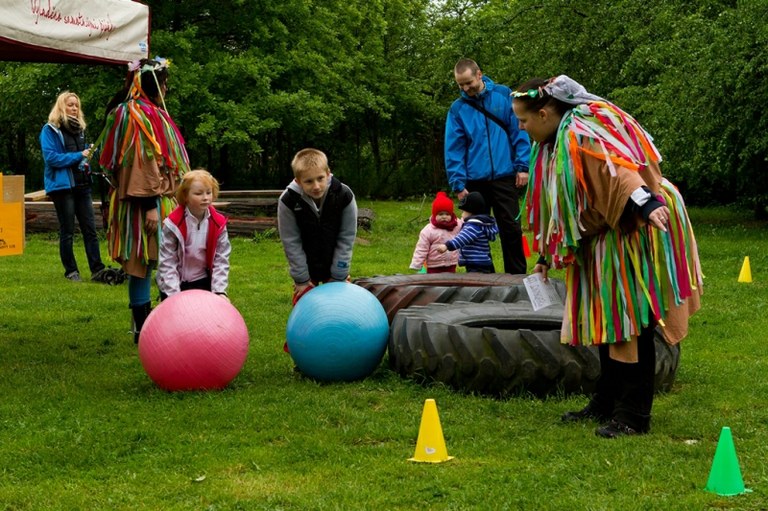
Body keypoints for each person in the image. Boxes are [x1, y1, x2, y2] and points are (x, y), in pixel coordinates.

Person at [512, 75, 703, 438]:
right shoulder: (552, 144)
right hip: (601, 235)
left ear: (543, 114)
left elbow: (620, 174)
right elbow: (560, 204)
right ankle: (606, 400)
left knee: (631, 319)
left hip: (636, 228)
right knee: (605, 318)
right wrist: (545, 254)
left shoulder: (583, 134)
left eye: (523, 120)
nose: (521, 128)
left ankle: (633, 416)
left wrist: (646, 205)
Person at [94, 57, 190, 343]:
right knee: (150, 263)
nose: (167, 89)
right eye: (165, 83)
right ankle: (148, 329)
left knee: (148, 264)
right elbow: (141, 163)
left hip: (148, 201)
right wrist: (150, 206)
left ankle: (153, 327)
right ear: (154, 84)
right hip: (145, 204)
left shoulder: (137, 111)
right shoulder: (137, 116)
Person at [444, 58, 531, 275]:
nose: (465, 88)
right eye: (460, 85)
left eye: (468, 82)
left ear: (479, 75)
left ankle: (517, 278)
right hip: (475, 180)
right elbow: (454, 148)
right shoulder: (458, 109)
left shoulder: (503, 95)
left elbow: (518, 130)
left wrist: (523, 166)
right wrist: (458, 183)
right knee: (475, 232)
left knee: (511, 228)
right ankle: (482, 280)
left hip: (504, 175)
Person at [40, 91, 114, 284]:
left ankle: (97, 270)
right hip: (62, 187)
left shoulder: (80, 129)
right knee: (68, 230)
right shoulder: (50, 130)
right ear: (61, 107)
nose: (74, 108)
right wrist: (79, 156)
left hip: (83, 184)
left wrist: (88, 157)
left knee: (90, 229)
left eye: (76, 105)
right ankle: (71, 271)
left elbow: (81, 157)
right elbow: (51, 158)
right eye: (70, 104)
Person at [277, 148, 358, 306]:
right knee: (305, 311)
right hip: (306, 267)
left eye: (320, 178)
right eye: (308, 181)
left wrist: (339, 275)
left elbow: (347, 237)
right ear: (298, 181)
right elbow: (291, 242)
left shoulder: (344, 195)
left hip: (335, 263)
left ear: (328, 173)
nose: (316, 186)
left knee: (340, 309)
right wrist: (301, 279)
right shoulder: (288, 201)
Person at [156, 169, 231, 300]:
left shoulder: (218, 224)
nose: (205, 197)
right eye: (198, 193)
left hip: (203, 283)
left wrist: (219, 291)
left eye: (209, 192)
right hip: (174, 285)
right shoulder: (172, 224)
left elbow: (221, 259)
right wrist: (174, 295)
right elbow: (167, 261)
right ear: (185, 196)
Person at [436, 191, 498, 273]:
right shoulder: (481, 224)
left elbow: (462, 239)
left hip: (475, 263)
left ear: (471, 211)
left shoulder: (473, 226)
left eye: (463, 211)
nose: (461, 214)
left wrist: (447, 246)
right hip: (481, 261)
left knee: (476, 283)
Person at [409, 191, 462, 273]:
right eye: (441, 214)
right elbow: (422, 248)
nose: (444, 217)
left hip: (451, 263)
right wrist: (417, 264)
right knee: (433, 283)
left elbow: (465, 226)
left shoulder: (456, 225)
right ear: (434, 214)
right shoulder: (429, 230)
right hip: (434, 265)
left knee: (449, 282)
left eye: (447, 214)